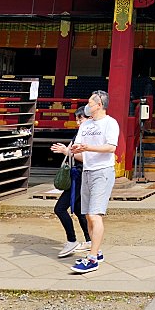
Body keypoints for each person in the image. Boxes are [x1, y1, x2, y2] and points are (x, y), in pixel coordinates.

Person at [69, 90, 120, 274]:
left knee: (95, 214)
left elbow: (111, 147)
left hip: (103, 171)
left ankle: (92, 259)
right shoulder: (86, 125)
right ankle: (96, 251)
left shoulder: (110, 123)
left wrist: (89, 147)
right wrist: (69, 151)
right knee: (88, 215)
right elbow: (80, 149)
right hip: (88, 171)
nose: (88, 106)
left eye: (90, 103)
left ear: (99, 105)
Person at [51, 105, 91, 258]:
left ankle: (71, 240)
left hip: (80, 176)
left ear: (89, 119)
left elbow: (85, 157)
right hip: (79, 175)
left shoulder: (88, 136)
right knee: (81, 210)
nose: (78, 122)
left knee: (60, 209)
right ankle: (89, 240)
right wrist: (65, 150)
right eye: (77, 119)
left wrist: (67, 152)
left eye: (80, 119)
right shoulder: (79, 134)